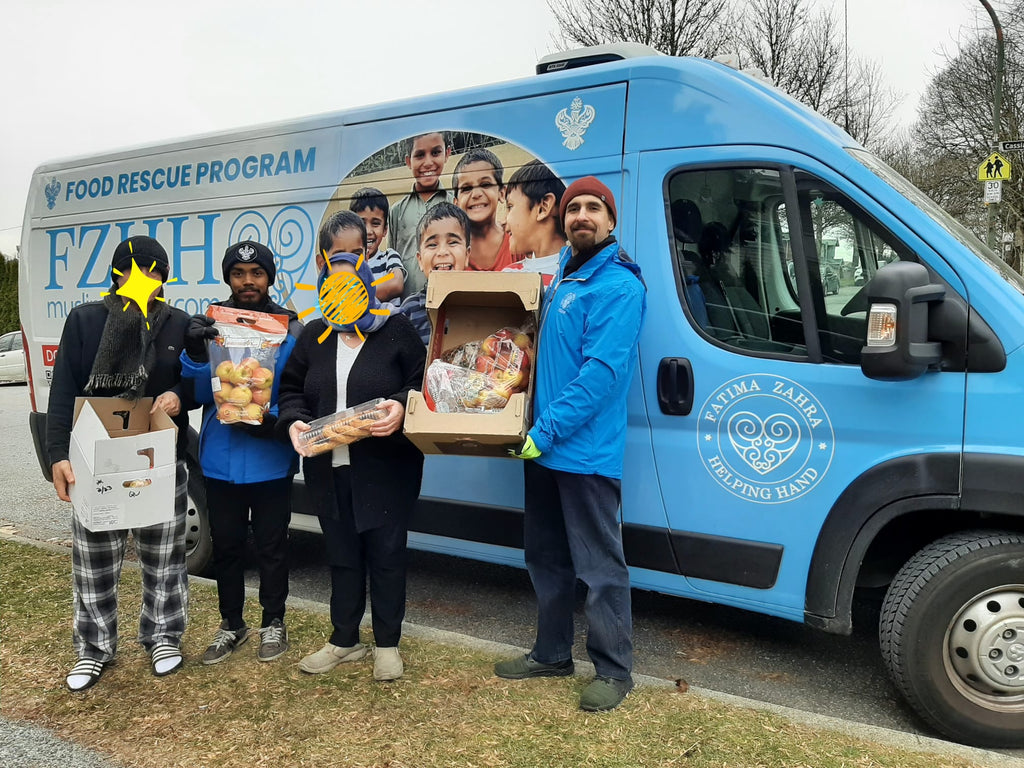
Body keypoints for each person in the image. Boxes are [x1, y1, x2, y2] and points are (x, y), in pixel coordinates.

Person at [494, 177, 647, 712]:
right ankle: (552, 653)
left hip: (583, 454)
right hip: (544, 447)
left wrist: (545, 430)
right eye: (573, 207)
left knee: (600, 567)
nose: (582, 215)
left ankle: (614, 670)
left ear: (610, 220)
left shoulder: (619, 286)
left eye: (592, 208)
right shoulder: (565, 274)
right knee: (547, 559)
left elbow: (600, 376)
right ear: (562, 219)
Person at [278, 214, 426, 682]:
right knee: (341, 556)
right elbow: (291, 390)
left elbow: (422, 383)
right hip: (328, 467)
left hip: (385, 468)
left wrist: (402, 408)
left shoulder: (395, 330)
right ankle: (344, 640)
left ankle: (387, 644)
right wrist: (294, 423)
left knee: (386, 555)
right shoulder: (314, 335)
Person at [47, 235, 192, 691]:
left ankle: (163, 635)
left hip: (159, 460)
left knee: (164, 557)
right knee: (94, 561)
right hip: (97, 461)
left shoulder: (178, 324)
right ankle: (93, 648)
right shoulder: (86, 321)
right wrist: (57, 457)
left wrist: (180, 396)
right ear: (114, 274)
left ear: (165, 277)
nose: (144, 279)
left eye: (154, 271)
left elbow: (198, 384)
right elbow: (62, 393)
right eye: (134, 270)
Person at [179, 240, 303, 666]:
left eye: (256, 273)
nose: (247, 281)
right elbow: (196, 396)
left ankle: (274, 621)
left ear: (269, 277)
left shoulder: (289, 327)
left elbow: (296, 389)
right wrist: (197, 354)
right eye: (238, 273)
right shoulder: (213, 326)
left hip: (270, 458)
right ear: (227, 278)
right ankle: (231, 623)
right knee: (228, 547)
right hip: (220, 460)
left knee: (272, 547)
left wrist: (281, 420)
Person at [388, 132, 453, 299]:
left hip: (447, 301)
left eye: (436, 152)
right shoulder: (396, 211)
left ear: (447, 154)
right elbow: (393, 260)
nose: (428, 162)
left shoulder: (456, 204)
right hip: (407, 306)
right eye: (420, 155)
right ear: (409, 161)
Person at [396, 202, 472, 344]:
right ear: (419, 260)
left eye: (453, 242)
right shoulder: (409, 310)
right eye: (432, 245)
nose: (442, 252)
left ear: (467, 255)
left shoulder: (478, 304)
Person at [500, 159, 567, 286]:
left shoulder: (578, 276)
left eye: (510, 206)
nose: (504, 220)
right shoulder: (507, 276)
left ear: (543, 207)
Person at [451, 148, 518, 272]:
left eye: (485, 184)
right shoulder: (450, 250)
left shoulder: (517, 241)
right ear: (456, 203)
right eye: (466, 188)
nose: (476, 194)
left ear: (502, 193)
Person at [350, 187, 405, 302]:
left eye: (375, 224)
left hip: (389, 319)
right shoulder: (348, 261)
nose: (368, 231)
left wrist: (357, 299)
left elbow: (396, 284)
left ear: (385, 230)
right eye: (361, 223)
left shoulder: (389, 257)